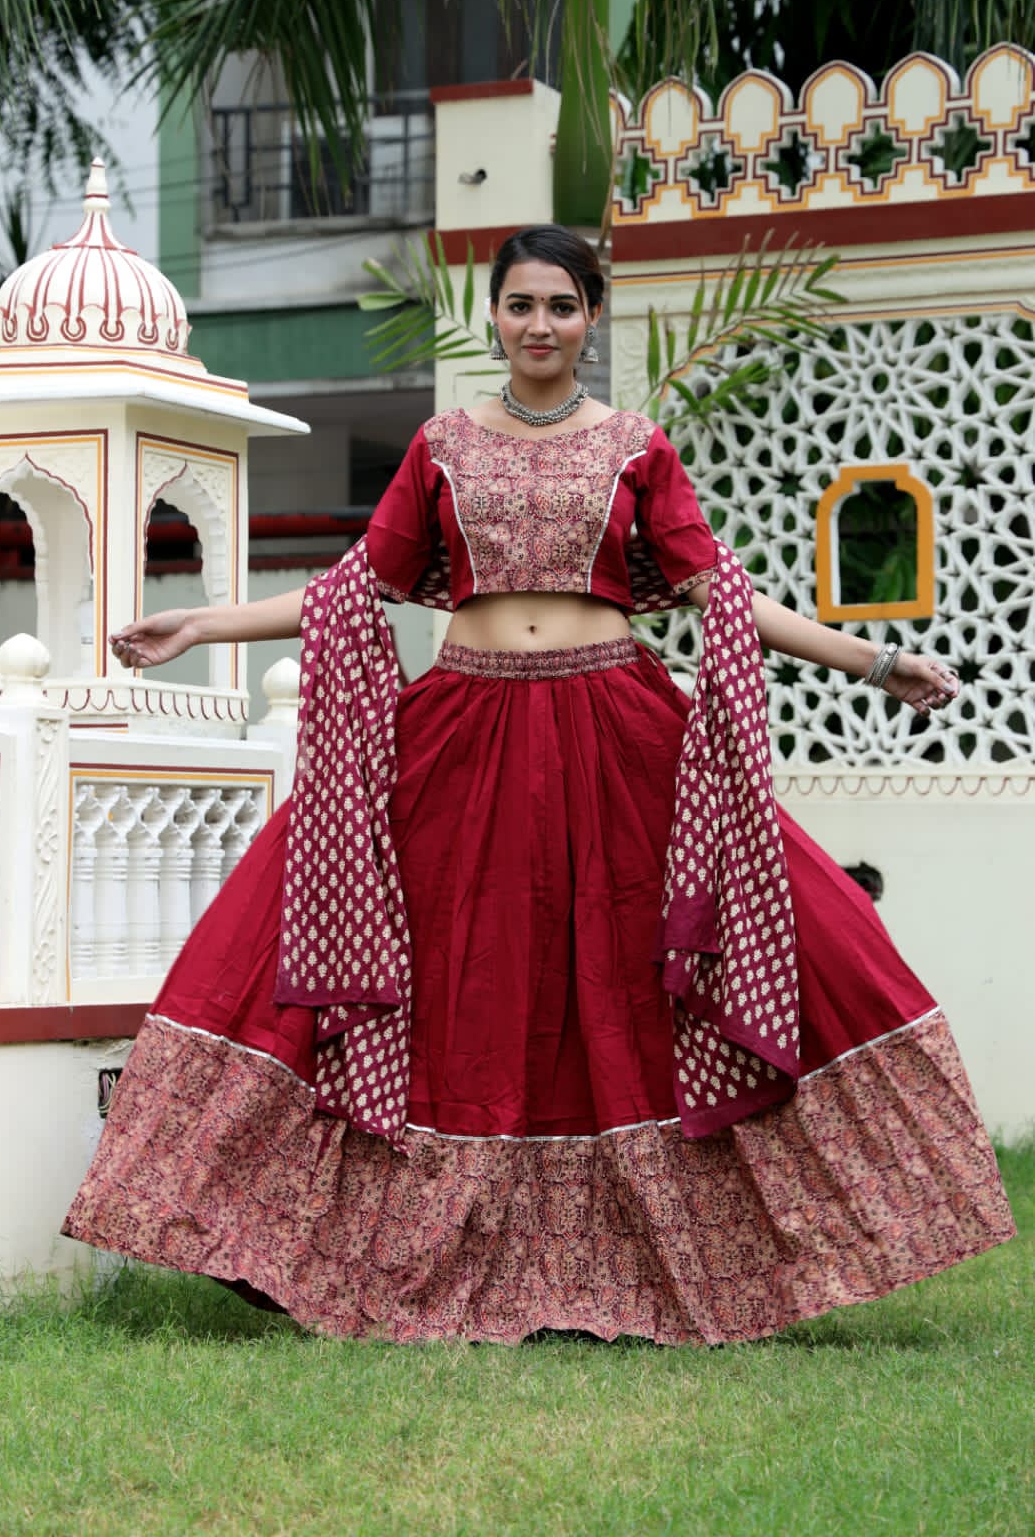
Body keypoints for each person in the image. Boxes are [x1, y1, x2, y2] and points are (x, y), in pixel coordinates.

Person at [64, 225, 1014, 1345]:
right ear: (496, 316)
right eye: (520, 305)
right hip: (465, 725)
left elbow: (720, 593)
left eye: (561, 305)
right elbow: (357, 585)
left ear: (591, 317)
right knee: (369, 934)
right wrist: (203, 623)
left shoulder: (634, 447)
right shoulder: (441, 447)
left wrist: (872, 658)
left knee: (707, 939)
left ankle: (722, 1249)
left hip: (613, 729)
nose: (539, 326)